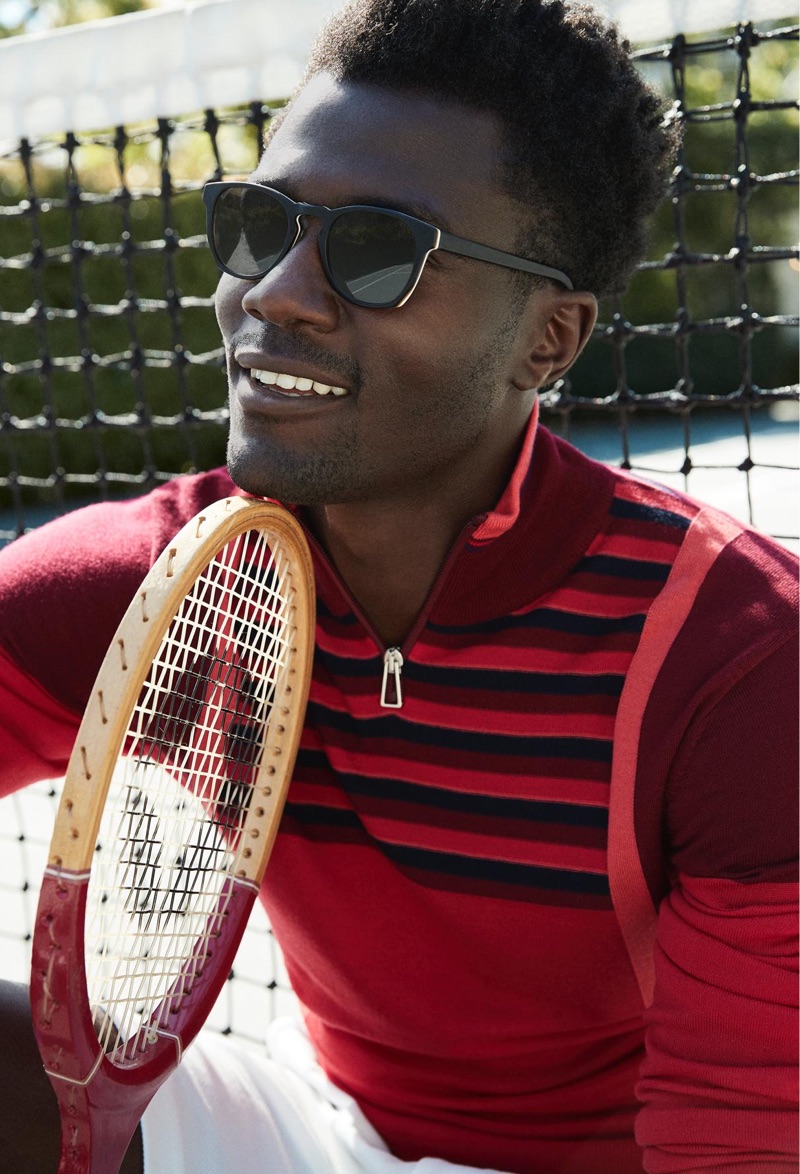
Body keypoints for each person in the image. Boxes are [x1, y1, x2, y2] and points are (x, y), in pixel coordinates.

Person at [0, 1, 797, 1172]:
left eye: (377, 250)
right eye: (262, 222)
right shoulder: (167, 575)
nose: (276, 290)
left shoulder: (737, 660)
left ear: (549, 340)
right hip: (330, 1140)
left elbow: (739, 1137)